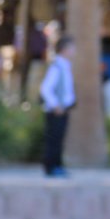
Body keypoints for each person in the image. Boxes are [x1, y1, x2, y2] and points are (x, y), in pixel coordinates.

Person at [39, 34, 77, 178]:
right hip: (56, 111)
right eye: (72, 48)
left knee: (59, 139)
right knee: (53, 139)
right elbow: (45, 88)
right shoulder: (56, 67)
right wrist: (55, 105)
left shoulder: (65, 66)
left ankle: (57, 165)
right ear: (64, 49)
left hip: (63, 109)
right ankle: (51, 166)